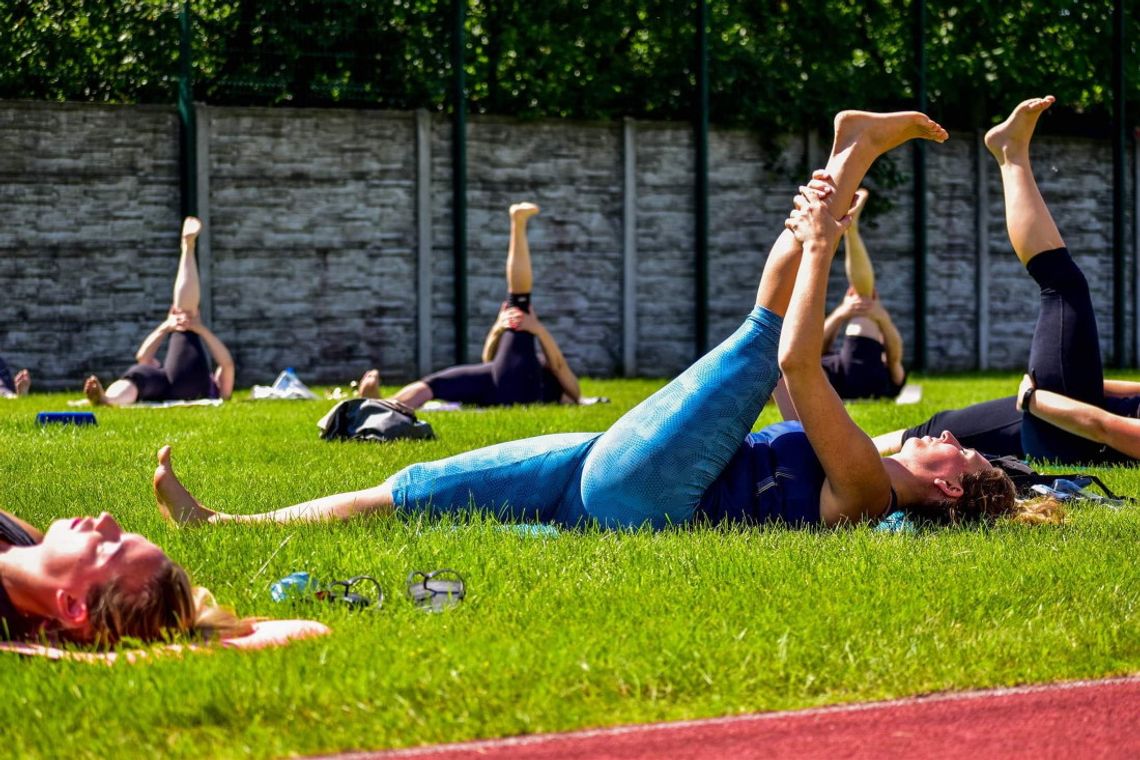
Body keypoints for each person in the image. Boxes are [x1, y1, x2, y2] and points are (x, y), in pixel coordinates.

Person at [154, 110, 1048, 533]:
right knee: (418, 485)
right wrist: (814, 236)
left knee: (753, 340)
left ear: (943, 489)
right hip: (614, 472)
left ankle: (844, 162)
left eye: (955, 453)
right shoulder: (885, 462)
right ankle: (229, 524)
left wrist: (820, 248)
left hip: (646, 496)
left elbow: (799, 370)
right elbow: (794, 390)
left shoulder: (871, 489)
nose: (945, 439)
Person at [874, 96, 1140, 465]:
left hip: (1074, 439)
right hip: (1069, 417)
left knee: (1063, 285)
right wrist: (1072, 389)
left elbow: (1106, 429)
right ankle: (839, 455)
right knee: (937, 428)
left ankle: (1011, 154)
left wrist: (1036, 401)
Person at [355, 203, 581, 408]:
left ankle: (517, 222)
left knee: (518, 306)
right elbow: (489, 360)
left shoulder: (547, 374)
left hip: (522, 391)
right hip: (492, 385)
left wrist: (536, 329)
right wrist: (499, 327)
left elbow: (568, 381)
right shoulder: (521, 363)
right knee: (431, 385)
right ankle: (380, 407)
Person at [0, 508, 246, 645]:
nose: (106, 520)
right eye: (121, 532)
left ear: (73, 605)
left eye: (106, 548)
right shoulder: (27, 541)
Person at [84, 217, 235, 406]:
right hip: (165, 386)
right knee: (138, 374)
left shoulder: (215, 384)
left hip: (196, 386)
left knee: (184, 316)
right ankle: (108, 399)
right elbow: (143, 357)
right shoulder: (162, 375)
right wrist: (167, 326)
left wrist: (198, 329)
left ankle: (187, 247)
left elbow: (226, 364)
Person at [818, 188, 907, 399]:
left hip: (856, 383)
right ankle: (852, 230)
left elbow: (894, 359)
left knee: (863, 310)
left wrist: (847, 313)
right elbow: (894, 356)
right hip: (838, 381)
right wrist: (877, 317)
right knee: (864, 306)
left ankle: (851, 229)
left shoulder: (886, 368)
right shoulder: (885, 366)